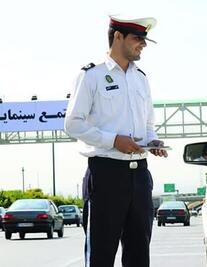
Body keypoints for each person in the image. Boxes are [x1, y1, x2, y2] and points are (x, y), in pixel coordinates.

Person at [64, 14, 167, 267]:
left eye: (144, 39)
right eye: (137, 38)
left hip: (140, 176)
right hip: (106, 174)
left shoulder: (141, 78)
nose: (142, 44)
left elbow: (148, 125)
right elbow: (72, 123)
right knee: (101, 254)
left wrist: (153, 142)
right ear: (117, 37)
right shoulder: (92, 75)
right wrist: (113, 140)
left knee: (139, 254)